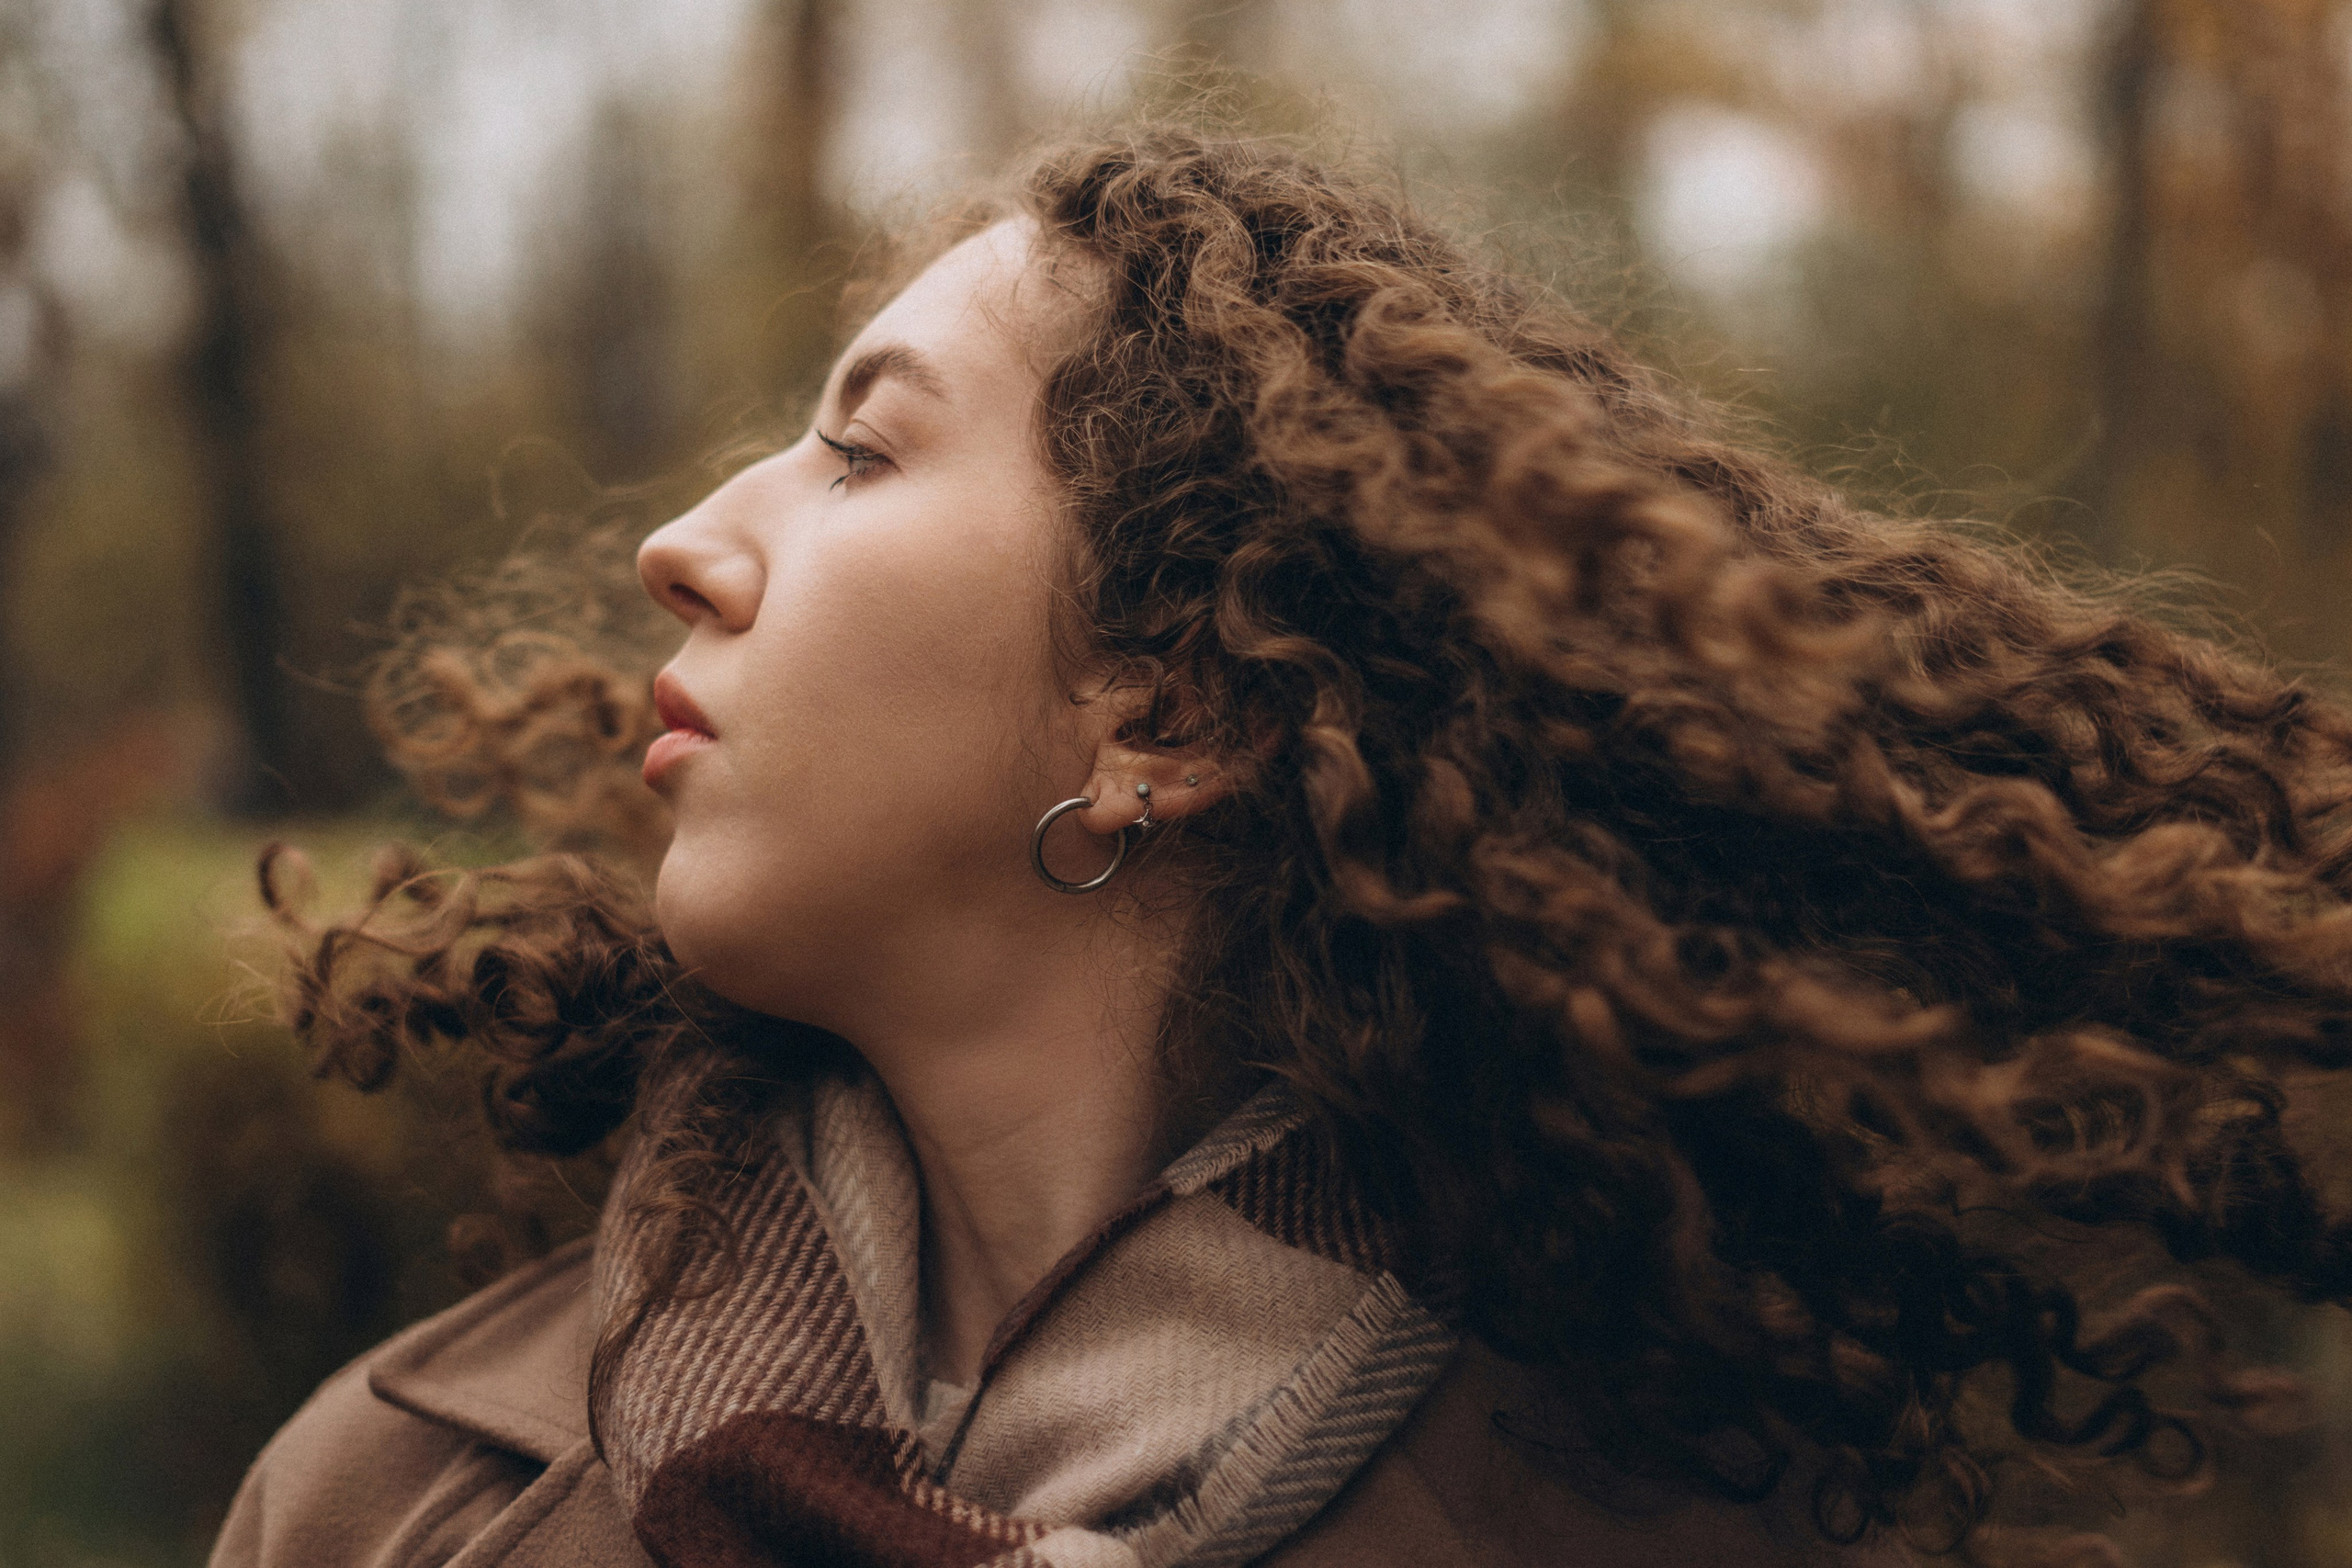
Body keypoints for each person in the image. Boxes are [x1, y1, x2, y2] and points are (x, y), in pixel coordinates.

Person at [209, 123, 2352, 1568]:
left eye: (858, 450)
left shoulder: (1656, 1524)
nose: (684, 542)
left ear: (1172, 707)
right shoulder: (376, 1499)